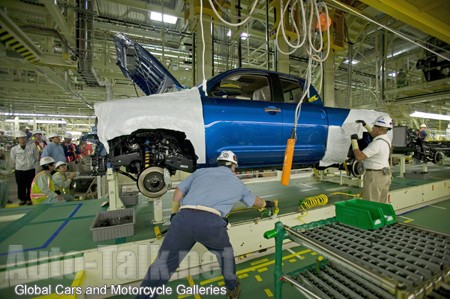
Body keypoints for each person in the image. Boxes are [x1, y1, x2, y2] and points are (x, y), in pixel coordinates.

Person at [136, 150, 274, 299]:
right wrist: (268, 204)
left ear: (219, 162)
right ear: (233, 167)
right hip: (210, 223)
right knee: (225, 256)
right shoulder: (237, 183)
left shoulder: (201, 172)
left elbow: (178, 191)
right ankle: (232, 287)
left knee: (162, 265)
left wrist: (175, 216)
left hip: (183, 218)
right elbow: (255, 202)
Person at [351, 115, 393, 203]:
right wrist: (365, 125)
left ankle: (373, 217)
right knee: (382, 202)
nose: (373, 128)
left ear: (381, 128)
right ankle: (381, 216)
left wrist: (354, 141)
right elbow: (374, 133)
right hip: (385, 174)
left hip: (375, 176)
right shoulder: (385, 138)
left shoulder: (376, 144)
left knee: (371, 202)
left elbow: (359, 157)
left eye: (375, 126)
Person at [10, 131, 39, 205]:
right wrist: (19, 165)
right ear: (17, 139)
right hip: (19, 170)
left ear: (26, 139)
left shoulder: (32, 147)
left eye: (24, 138)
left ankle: (29, 198)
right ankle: (22, 199)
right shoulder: (14, 149)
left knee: (30, 185)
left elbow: (36, 157)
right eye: (21, 138)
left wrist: (31, 164)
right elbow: (13, 159)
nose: (23, 139)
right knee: (20, 185)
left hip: (30, 169)